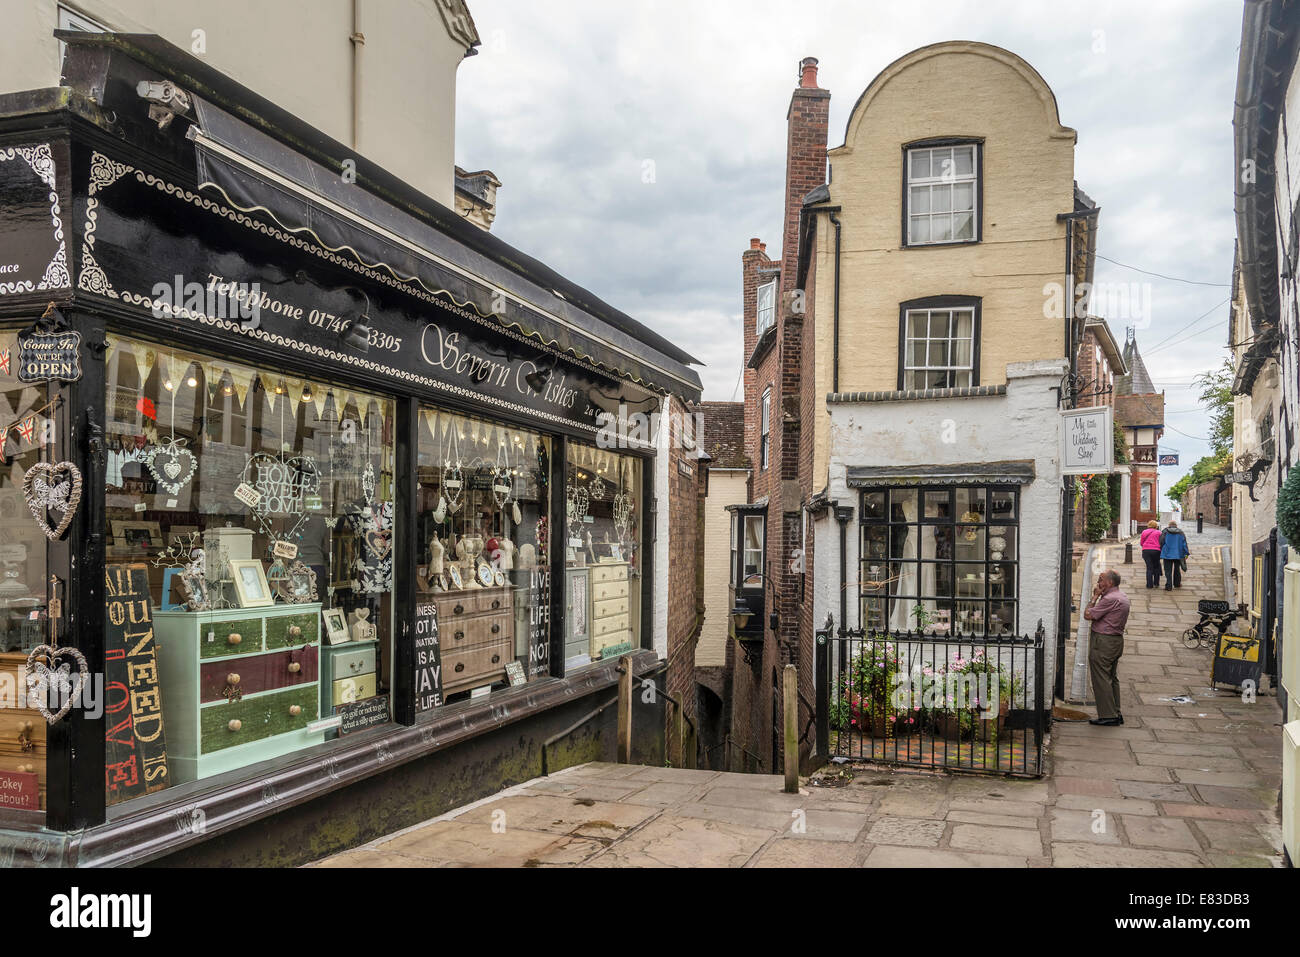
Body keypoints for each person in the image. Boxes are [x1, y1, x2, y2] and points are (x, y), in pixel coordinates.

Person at [1083, 569, 1131, 726]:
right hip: (1116, 641)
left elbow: (1088, 614)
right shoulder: (1122, 596)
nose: (1098, 582)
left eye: (1101, 579)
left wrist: (1095, 597)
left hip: (1103, 642)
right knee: (1111, 677)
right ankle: (1116, 712)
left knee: (1101, 678)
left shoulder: (1109, 599)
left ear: (1110, 583)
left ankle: (1108, 716)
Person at [1159, 520, 1190, 590]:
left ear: (1169, 525)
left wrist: (1161, 550)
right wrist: (1186, 553)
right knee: (1177, 569)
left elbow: (1161, 542)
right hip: (1178, 554)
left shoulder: (1165, 532)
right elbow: (1184, 543)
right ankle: (1177, 584)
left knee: (1168, 571)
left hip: (1167, 554)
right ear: (1176, 525)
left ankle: (1168, 586)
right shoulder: (1181, 532)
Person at [1139, 520, 1162, 589]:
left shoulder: (1144, 532)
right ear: (1156, 526)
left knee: (1149, 568)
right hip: (1156, 551)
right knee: (1156, 567)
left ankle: (1149, 585)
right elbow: (1161, 542)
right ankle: (1156, 583)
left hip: (1146, 551)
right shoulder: (1159, 532)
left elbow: (1141, 543)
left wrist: (1146, 546)